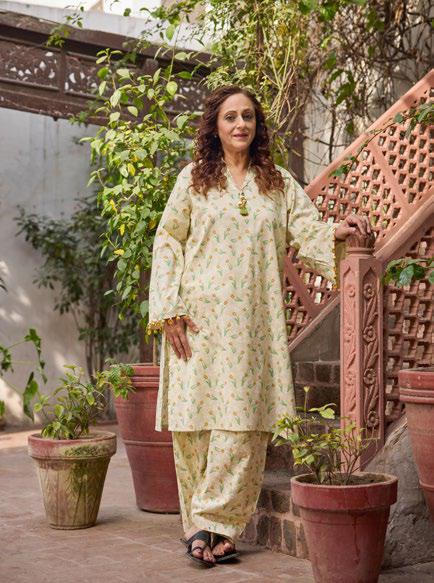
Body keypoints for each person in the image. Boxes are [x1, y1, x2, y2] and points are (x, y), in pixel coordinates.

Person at [146, 85, 371, 567]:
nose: (240, 124)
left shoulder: (277, 182)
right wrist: (168, 308)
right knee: (194, 424)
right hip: (196, 319)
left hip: (252, 325)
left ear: (257, 125)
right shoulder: (193, 180)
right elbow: (168, 242)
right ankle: (199, 527)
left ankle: (217, 523)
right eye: (231, 117)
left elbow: (307, 230)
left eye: (248, 116)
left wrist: (336, 233)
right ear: (215, 126)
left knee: (244, 425)